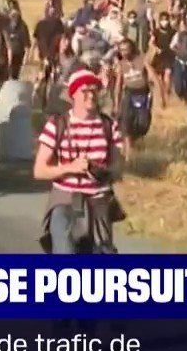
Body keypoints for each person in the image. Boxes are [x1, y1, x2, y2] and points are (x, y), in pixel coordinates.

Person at [33, 69, 124, 254]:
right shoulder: (57, 125)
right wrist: (70, 168)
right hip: (65, 200)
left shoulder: (109, 125)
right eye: (85, 91)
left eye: (94, 91)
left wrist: (104, 172)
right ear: (73, 94)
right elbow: (39, 170)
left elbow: (118, 166)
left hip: (99, 201)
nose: (90, 96)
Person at [112, 39, 151, 157]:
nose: (124, 52)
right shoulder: (121, 64)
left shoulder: (141, 60)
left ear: (132, 49)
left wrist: (163, 95)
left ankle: (134, 139)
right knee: (125, 122)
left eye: (126, 49)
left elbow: (153, 76)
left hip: (143, 94)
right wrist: (116, 104)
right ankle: (128, 154)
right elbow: (118, 85)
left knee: (143, 124)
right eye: (121, 50)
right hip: (129, 94)